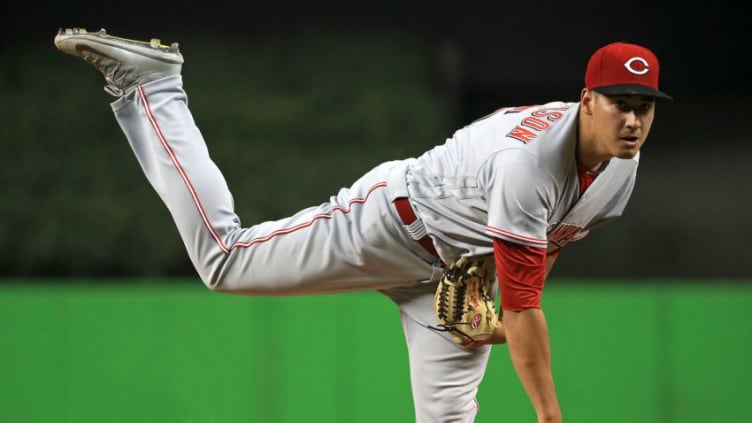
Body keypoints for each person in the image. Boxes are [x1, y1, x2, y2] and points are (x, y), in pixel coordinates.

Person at [54, 27, 671, 423]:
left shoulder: (621, 167)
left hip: (451, 278)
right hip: (389, 226)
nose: (635, 121)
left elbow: (542, 250)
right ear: (586, 100)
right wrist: (548, 414)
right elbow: (527, 304)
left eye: (644, 108)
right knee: (225, 261)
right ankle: (154, 86)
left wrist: (491, 302)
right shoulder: (527, 164)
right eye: (622, 103)